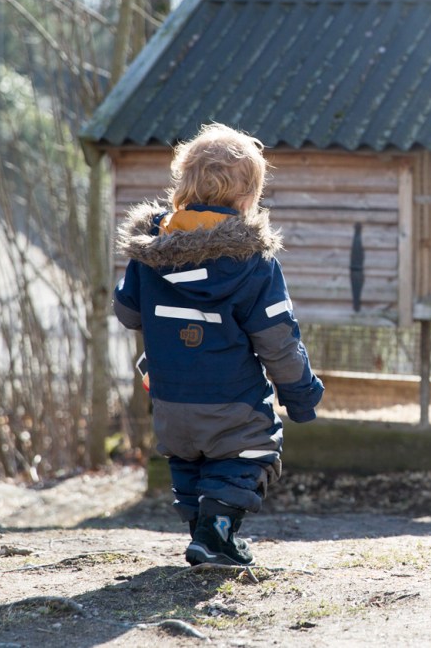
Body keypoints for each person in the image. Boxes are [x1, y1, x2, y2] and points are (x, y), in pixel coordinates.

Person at [113, 123, 323, 567]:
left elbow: (128, 312)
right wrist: (302, 395)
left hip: (169, 397)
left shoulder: (151, 251)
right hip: (232, 398)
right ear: (249, 198)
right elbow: (277, 339)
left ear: (182, 185)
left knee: (188, 460)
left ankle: (205, 536)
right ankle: (217, 530)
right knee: (251, 450)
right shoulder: (254, 263)